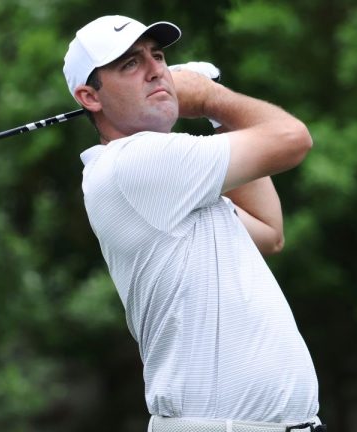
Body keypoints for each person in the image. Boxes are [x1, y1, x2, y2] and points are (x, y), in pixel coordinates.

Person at [63, 15, 325, 432]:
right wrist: (209, 98)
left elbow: (267, 230)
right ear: (89, 97)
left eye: (158, 56)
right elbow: (293, 139)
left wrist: (216, 115)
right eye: (130, 64)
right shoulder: (136, 163)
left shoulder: (174, 184)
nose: (155, 70)